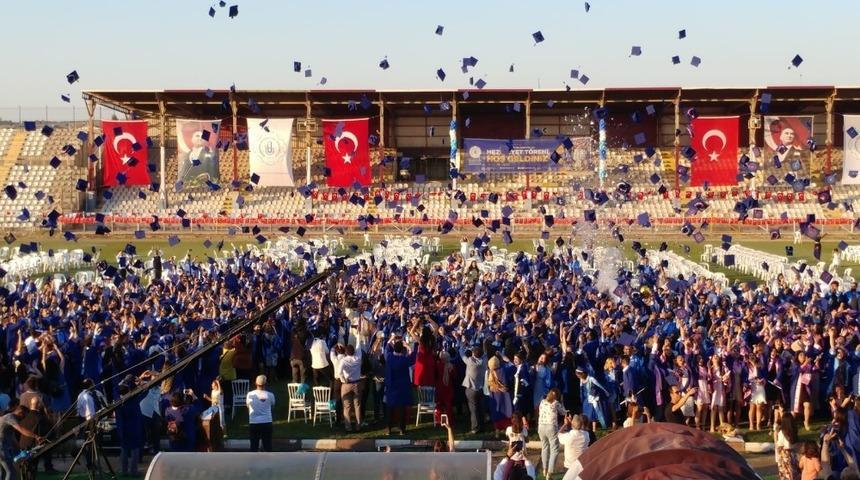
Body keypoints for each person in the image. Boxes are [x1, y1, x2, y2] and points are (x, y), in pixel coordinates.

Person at [0, 402, 45, 480]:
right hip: (1, 448)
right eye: (24, 416)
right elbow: (21, 429)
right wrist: (36, 436)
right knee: (11, 472)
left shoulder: (6, 418)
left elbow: (12, 438)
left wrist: (19, 449)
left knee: (3, 472)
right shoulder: (10, 417)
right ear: (20, 413)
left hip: (3, 447)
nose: (24, 418)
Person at [537, 389, 566, 480]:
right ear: (557, 396)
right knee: (554, 450)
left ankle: (544, 469)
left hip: (541, 426)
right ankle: (549, 473)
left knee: (545, 447)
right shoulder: (556, 403)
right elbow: (563, 412)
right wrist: (562, 402)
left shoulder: (542, 402)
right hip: (551, 427)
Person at [335, 344, 363, 432]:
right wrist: (358, 335)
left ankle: (348, 427)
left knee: (347, 407)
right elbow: (358, 347)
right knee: (357, 406)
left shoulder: (343, 360)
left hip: (347, 384)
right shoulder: (358, 358)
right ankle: (358, 426)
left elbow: (339, 372)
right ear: (354, 352)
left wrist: (343, 380)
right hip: (356, 383)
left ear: (346, 352)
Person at [460, 343, 487, 434]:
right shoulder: (484, 361)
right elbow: (484, 354)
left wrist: (462, 346)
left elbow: (461, 354)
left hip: (471, 389)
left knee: (473, 410)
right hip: (481, 388)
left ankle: (475, 428)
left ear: (473, 354)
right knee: (481, 408)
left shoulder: (470, 361)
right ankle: (482, 427)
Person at [247, 375, 275, 452]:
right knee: (267, 445)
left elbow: (248, 406)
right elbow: (272, 406)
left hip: (254, 422)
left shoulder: (250, 394)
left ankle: (253, 462)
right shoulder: (270, 395)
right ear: (265, 383)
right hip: (267, 421)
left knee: (254, 446)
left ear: (256, 383)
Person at [487, 356, 513, 438]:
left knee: (496, 412)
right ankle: (507, 431)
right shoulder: (503, 370)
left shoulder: (488, 372)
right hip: (504, 395)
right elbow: (512, 368)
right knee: (506, 411)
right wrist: (508, 360)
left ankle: (497, 432)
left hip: (494, 394)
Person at [558, 414, 589, 480]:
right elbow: (577, 428)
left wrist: (565, 424)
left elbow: (559, 434)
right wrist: (572, 422)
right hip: (581, 464)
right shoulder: (586, 435)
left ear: (572, 425)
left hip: (569, 465)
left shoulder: (568, 436)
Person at [773, 407, 799, 480]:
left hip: (784, 455)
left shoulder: (782, 432)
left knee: (786, 474)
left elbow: (779, 445)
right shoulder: (793, 431)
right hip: (792, 454)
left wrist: (775, 435)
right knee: (793, 472)